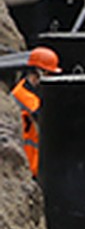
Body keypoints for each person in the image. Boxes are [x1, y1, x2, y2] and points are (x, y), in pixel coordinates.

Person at [11, 46, 61, 176]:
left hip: (33, 162)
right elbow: (43, 117)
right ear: (38, 72)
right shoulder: (23, 95)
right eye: (48, 74)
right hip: (28, 163)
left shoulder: (30, 92)